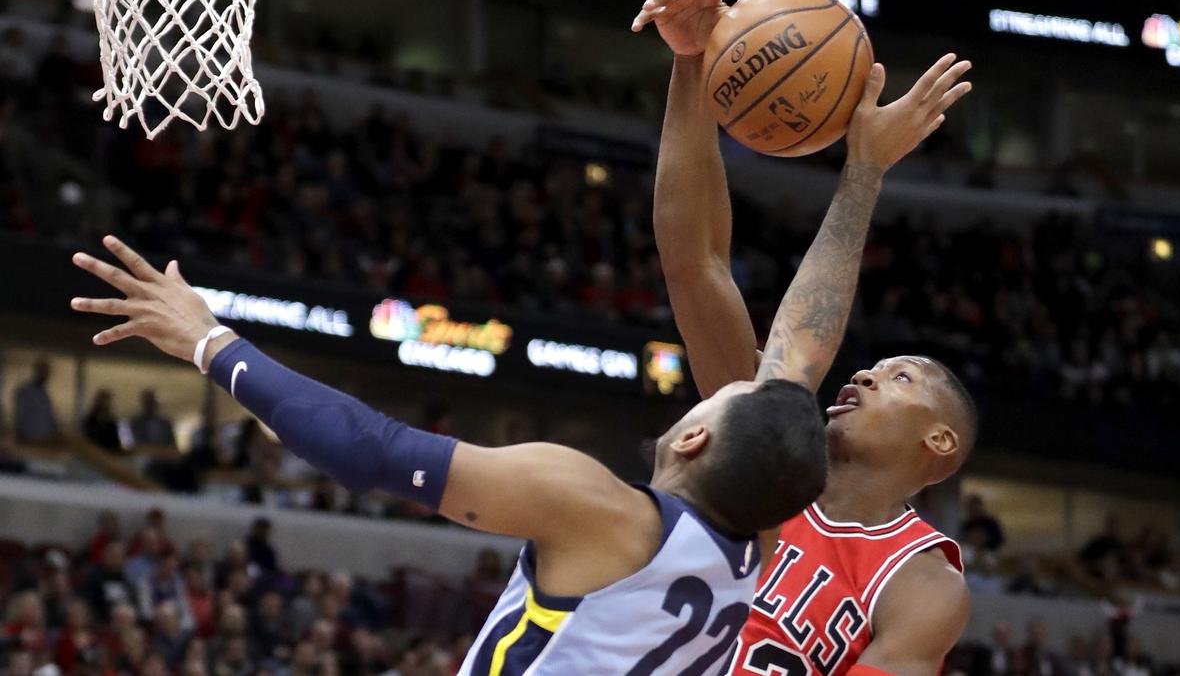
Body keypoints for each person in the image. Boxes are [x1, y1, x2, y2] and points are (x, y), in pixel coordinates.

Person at [71, 234, 828, 674]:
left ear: (695, 436)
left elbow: (372, 452)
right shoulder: (749, 553)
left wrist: (209, 342)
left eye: (711, 398)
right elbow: (797, 347)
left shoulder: (598, 507)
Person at [633, 0, 975, 675]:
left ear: (939, 440)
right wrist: (694, 63)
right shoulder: (763, 449)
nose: (863, 374)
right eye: (877, 367)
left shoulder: (922, 585)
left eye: (898, 377)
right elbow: (694, 262)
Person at [13, 358, 58, 442]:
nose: (46, 375)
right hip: (30, 438)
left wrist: (55, 431)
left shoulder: (44, 394)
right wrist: (22, 435)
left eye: (47, 372)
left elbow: (49, 417)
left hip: (46, 438)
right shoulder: (25, 391)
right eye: (43, 371)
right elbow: (20, 415)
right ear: (37, 371)